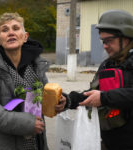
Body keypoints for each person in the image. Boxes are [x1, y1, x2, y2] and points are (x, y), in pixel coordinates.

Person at [55, 10, 133, 150]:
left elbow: (104, 97)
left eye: (109, 40)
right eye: (103, 41)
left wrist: (104, 98)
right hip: (108, 142)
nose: (104, 45)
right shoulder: (107, 65)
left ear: (126, 38)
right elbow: (93, 93)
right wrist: (69, 100)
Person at [0, 12, 52, 150]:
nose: (10, 33)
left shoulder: (35, 66)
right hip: (1, 143)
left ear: (25, 37)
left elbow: (45, 98)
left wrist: (60, 101)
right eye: (4, 30)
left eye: (15, 28)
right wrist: (27, 124)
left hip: (34, 142)